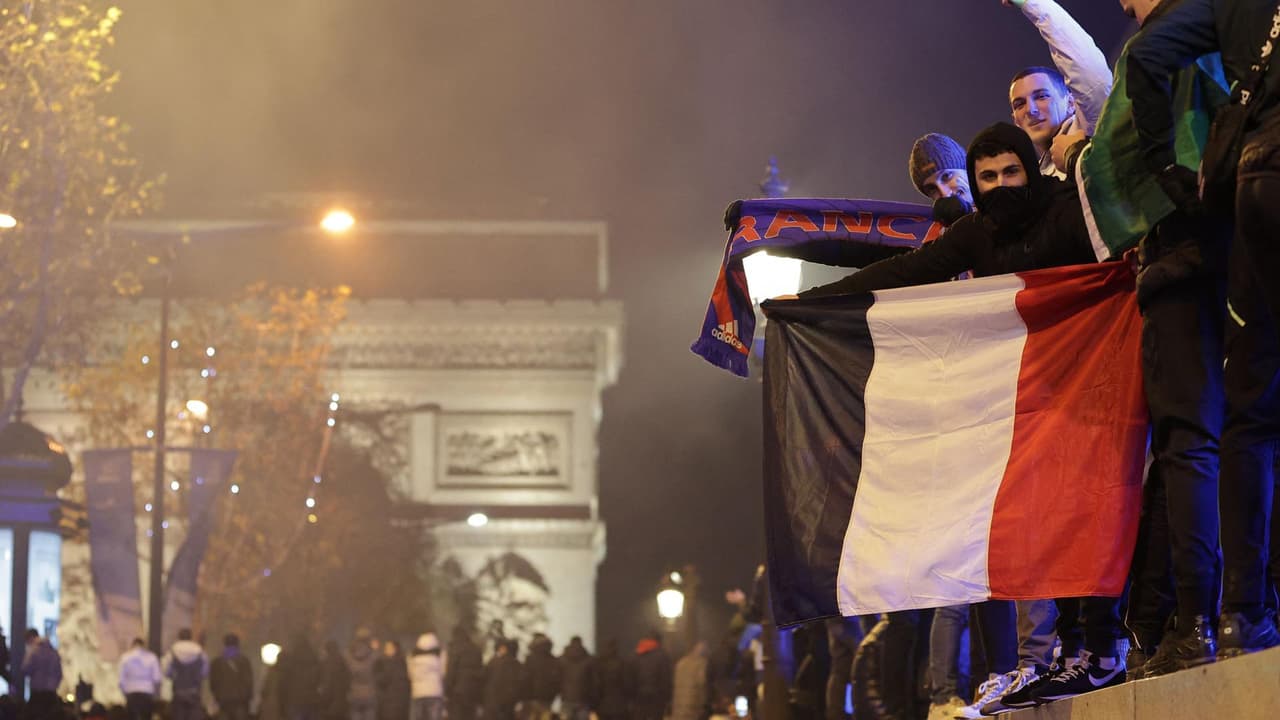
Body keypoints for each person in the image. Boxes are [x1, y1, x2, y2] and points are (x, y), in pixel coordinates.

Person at [1126, 0, 1280, 670]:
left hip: (1257, 178)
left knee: (1251, 409)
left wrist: (1164, 164)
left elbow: (1145, 56)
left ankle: (1243, 618)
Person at [1002, 0, 1113, 177]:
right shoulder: (1034, 181)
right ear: (1016, 121)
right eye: (1019, 104)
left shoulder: (1092, 130)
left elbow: (1087, 70)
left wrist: (1032, 4)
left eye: (1041, 96)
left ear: (1070, 102)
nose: (1031, 110)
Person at [164, 629, 208, 720]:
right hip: (194, 690)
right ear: (190, 637)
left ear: (179, 637)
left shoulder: (172, 651)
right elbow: (205, 671)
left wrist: (174, 676)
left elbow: (167, 671)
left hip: (178, 691)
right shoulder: (200, 652)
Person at [628, 632, 673, 720]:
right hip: (657, 698)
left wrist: (631, 697)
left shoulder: (636, 655)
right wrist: (668, 698)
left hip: (639, 698)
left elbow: (630, 679)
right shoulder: (663, 655)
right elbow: (666, 680)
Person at [275, 634, 321, 720]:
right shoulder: (314, 661)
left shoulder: (290, 662)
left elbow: (283, 685)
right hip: (310, 703)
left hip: (294, 702)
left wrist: (282, 705)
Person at [442, 626, 482, 720]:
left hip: (457, 692)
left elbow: (451, 670)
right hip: (472, 692)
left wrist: (447, 690)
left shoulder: (455, 648)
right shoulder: (476, 649)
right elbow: (480, 671)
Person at [210, 634, 254, 720]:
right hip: (240, 700)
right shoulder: (244, 661)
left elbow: (213, 682)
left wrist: (217, 695)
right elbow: (249, 681)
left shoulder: (217, 661)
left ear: (224, 644)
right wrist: (248, 697)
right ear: (237, 644)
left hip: (223, 699)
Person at [21, 629, 62, 720]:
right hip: (51, 693)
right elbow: (59, 673)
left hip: (37, 692)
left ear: (30, 638)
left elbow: (25, 669)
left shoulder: (33, 650)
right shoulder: (53, 651)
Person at [118, 637, 162, 720]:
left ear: (132, 645)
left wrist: (125, 694)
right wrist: (156, 695)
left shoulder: (125, 658)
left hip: (131, 692)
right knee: (146, 717)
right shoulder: (152, 657)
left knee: (132, 717)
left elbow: (121, 681)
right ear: (144, 646)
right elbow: (157, 678)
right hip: (147, 692)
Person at [480, 640, 522, 720]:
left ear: (507, 649)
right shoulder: (519, 667)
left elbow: (483, 678)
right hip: (508, 707)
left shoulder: (495, 661)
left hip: (491, 704)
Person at [522, 634, 560, 720]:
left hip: (531, 699)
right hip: (547, 699)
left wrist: (524, 697)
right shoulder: (553, 660)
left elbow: (524, 679)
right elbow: (557, 681)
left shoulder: (530, 659)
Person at [406, 634, 444, 720]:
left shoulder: (412, 657)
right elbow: (443, 672)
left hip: (417, 693)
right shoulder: (440, 656)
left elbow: (410, 675)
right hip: (435, 692)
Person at [671, 641, 710, 720]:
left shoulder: (680, 663)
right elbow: (702, 684)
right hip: (693, 705)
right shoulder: (701, 664)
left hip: (678, 705)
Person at [558, 636, 594, 720]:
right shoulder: (589, 660)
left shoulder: (561, 660)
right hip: (583, 699)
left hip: (567, 698)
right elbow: (593, 682)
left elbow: (556, 680)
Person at [373, 640, 410, 720]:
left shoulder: (388, 663)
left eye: (389, 648)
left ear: (395, 649)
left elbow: (383, 679)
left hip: (391, 702)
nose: (386, 650)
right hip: (396, 702)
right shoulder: (402, 662)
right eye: (386, 648)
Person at [347, 630, 378, 720]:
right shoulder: (372, 656)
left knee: (355, 715)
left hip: (354, 692)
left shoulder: (350, 657)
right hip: (370, 693)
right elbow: (378, 659)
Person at [319, 641, 351, 720]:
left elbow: (325, 683)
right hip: (341, 701)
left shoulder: (325, 663)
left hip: (329, 702)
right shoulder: (343, 661)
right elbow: (348, 679)